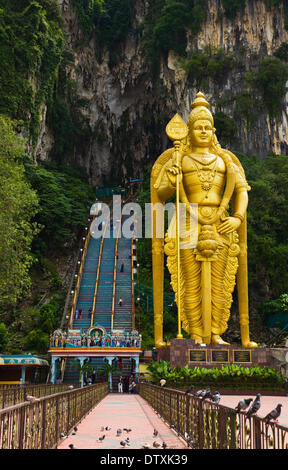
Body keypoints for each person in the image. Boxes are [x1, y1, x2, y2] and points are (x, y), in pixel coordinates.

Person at [151, 92, 257, 348]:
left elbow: (241, 190)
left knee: (220, 282)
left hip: (221, 222)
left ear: (213, 130)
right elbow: (161, 192)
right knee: (191, 281)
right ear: (188, 131)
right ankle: (196, 334)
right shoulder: (180, 159)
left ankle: (216, 333)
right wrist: (173, 179)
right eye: (197, 127)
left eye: (207, 128)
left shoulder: (226, 161)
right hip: (188, 222)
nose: (203, 132)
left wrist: (238, 218)